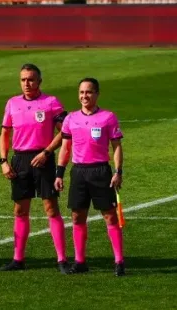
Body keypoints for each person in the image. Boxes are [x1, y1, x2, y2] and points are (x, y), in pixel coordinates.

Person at [0, 63, 69, 273]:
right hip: (19, 160)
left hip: (43, 159)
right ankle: (18, 260)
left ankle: (62, 260)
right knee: (20, 210)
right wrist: (3, 161)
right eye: (23, 79)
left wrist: (47, 152)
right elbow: (4, 134)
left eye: (31, 79)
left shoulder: (50, 102)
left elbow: (65, 130)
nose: (27, 83)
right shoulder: (12, 103)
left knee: (51, 209)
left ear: (39, 81)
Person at [54, 77, 125, 276]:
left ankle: (119, 261)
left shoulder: (108, 117)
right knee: (77, 217)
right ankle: (80, 261)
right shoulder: (71, 119)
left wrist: (118, 172)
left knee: (110, 216)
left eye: (89, 92)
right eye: (82, 92)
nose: (85, 96)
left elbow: (117, 147)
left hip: (101, 171)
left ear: (97, 94)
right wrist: (59, 173)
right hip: (79, 172)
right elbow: (65, 148)